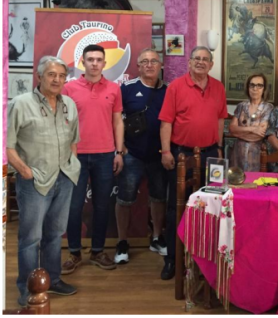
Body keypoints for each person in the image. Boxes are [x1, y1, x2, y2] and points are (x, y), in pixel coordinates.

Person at [7, 56, 81, 306]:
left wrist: (72, 166)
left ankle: (53, 280)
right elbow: (7, 145)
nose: (57, 80)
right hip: (34, 181)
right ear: (39, 76)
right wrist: (25, 171)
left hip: (64, 178)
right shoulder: (20, 104)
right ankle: (28, 288)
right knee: (31, 238)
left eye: (61, 75)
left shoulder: (69, 104)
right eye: (51, 74)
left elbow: (74, 140)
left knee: (55, 234)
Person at [158, 46, 228, 280]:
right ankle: (173, 259)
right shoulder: (176, 87)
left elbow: (220, 120)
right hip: (181, 155)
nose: (200, 62)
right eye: (196, 58)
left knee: (211, 207)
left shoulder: (218, 87)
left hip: (211, 155)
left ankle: (204, 261)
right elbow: (166, 122)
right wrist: (165, 151)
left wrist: (219, 148)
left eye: (205, 59)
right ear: (189, 63)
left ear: (211, 64)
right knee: (175, 208)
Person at [61, 44, 124, 274]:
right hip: (76, 156)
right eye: (90, 59)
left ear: (104, 63)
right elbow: (63, 123)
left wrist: (119, 152)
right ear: (82, 62)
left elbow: (118, 121)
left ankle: (97, 251)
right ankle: (74, 253)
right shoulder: (69, 88)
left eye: (99, 60)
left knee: (102, 206)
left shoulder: (114, 89)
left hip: (105, 155)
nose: (95, 63)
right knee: (74, 207)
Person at [114, 49, 168, 265]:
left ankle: (156, 237)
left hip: (159, 155)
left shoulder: (169, 90)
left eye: (154, 61)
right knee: (124, 199)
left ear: (161, 65)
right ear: (138, 66)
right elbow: (116, 119)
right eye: (144, 61)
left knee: (159, 197)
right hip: (132, 155)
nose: (149, 65)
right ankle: (122, 242)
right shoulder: (126, 88)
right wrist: (121, 147)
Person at [229, 73, 274, 172]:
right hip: (238, 152)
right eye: (252, 85)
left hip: (257, 153)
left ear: (264, 89)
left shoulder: (268, 107)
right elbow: (232, 129)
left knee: (255, 180)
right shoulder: (241, 106)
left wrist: (239, 132)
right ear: (248, 87)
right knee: (236, 179)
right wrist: (253, 129)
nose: (255, 88)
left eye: (259, 85)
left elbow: (260, 134)